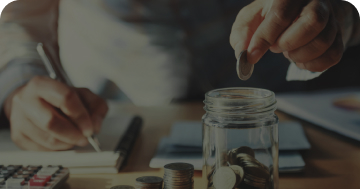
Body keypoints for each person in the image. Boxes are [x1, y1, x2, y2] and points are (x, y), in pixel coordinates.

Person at [0, 0, 359, 151]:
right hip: (110, 120)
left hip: (284, 104)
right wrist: (18, 85)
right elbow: (24, 11)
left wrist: (335, 15)